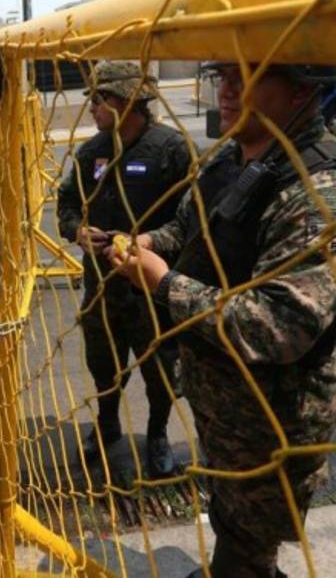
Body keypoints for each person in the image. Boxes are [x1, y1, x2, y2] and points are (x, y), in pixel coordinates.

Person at [108, 62, 336, 577]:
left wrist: (163, 283)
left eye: (248, 74)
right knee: (232, 526)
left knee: (251, 545)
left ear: (302, 88)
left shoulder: (317, 189)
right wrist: (148, 243)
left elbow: (276, 325)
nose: (226, 88)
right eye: (223, 72)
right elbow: (192, 228)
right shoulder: (232, 156)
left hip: (269, 418)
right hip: (220, 401)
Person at [56, 60, 192, 477]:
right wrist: (78, 232)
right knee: (103, 365)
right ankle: (108, 426)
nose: (92, 108)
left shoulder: (172, 149)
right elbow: (66, 204)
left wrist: (149, 243)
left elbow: (192, 220)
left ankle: (156, 434)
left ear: (128, 100)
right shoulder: (92, 151)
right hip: (102, 288)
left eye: (100, 99)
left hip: (152, 290)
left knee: (159, 372)